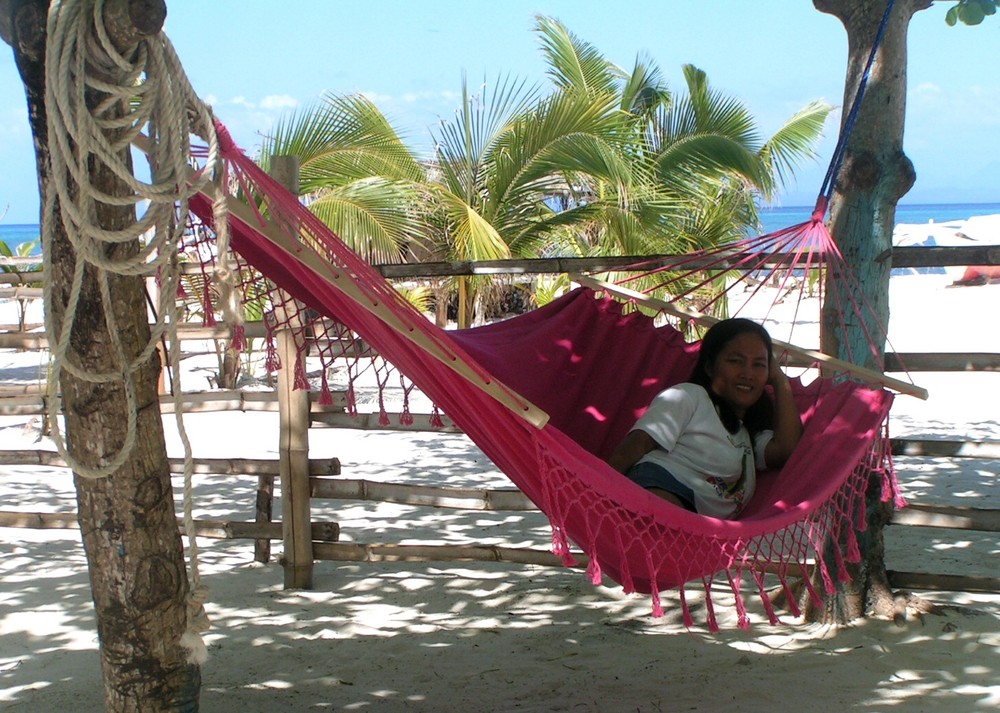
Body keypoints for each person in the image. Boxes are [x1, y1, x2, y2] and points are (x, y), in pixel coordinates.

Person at [607, 318, 803, 519]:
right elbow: (637, 444)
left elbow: (786, 449)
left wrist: (780, 381)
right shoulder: (689, 396)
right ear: (710, 367)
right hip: (661, 486)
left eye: (759, 365)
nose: (748, 373)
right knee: (664, 531)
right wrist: (598, 491)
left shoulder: (748, 439)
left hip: (699, 529)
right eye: (735, 361)